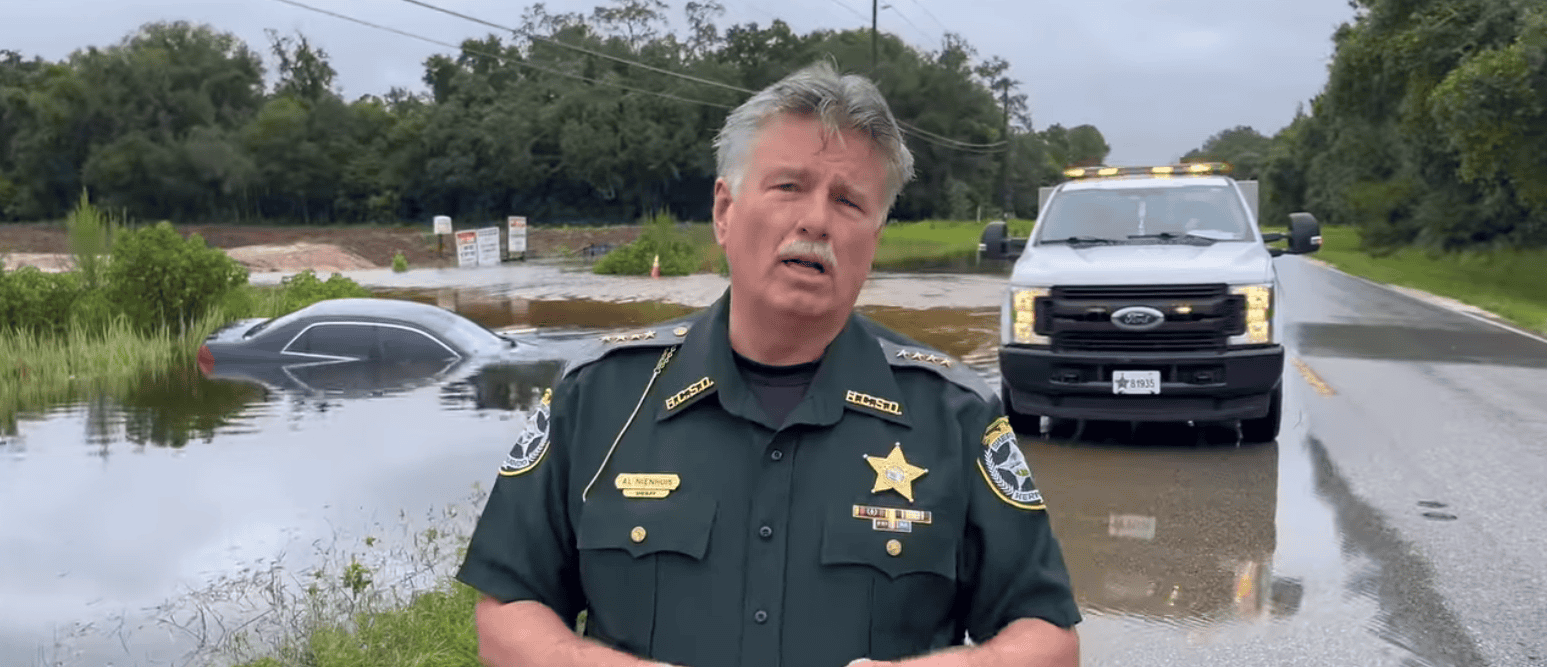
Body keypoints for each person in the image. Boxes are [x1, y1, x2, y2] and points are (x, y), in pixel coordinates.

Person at [455, 60, 1082, 667]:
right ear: (725, 212)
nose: (815, 220)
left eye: (848, 201)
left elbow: (1048, 640)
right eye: (788, 187)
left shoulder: (954, 416)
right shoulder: (600, 398)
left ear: (875, 239)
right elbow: (508, 611)